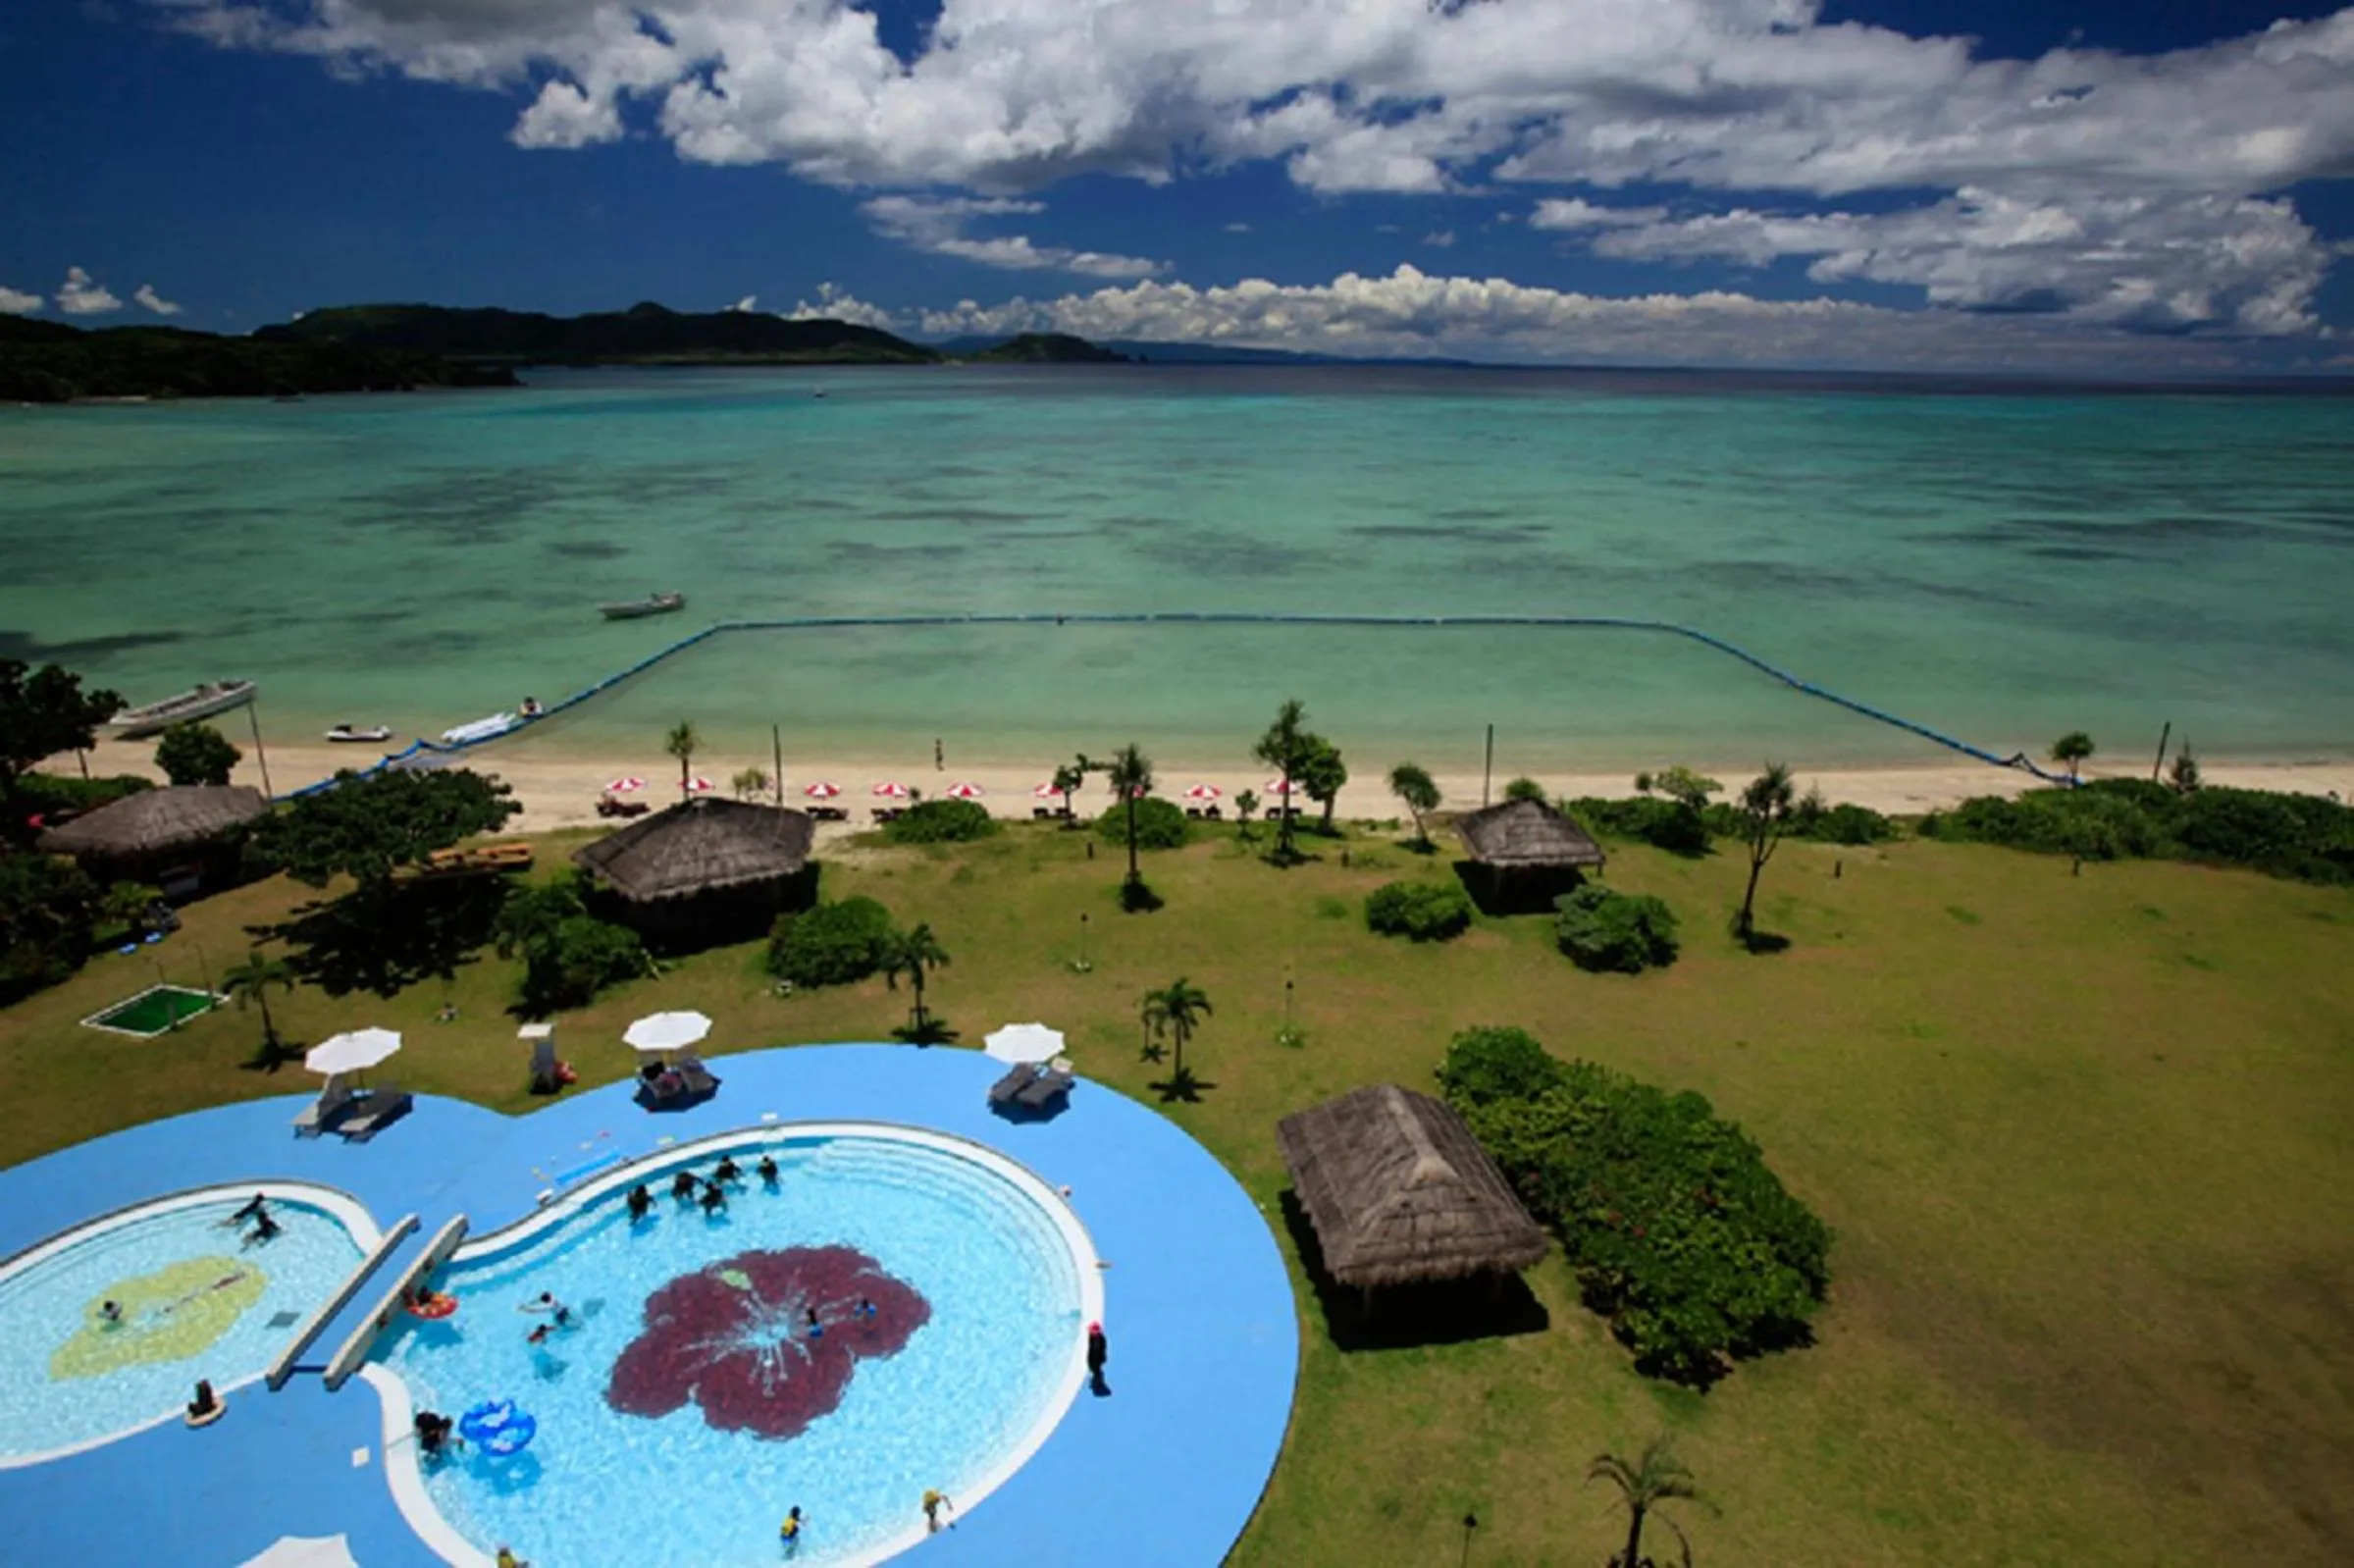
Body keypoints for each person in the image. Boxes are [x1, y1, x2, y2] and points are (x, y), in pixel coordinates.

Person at [1086, 1321, 1109, 1395]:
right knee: (1096, 1371)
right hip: (1095, 1359)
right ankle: (1096, 1383)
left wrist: (1102, 1358)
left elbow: (1100, 1350)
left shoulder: (1099, 1340)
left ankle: (1097, 1384)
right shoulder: (1093, 1337)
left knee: (1097, 1371)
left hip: (1096, 1359)